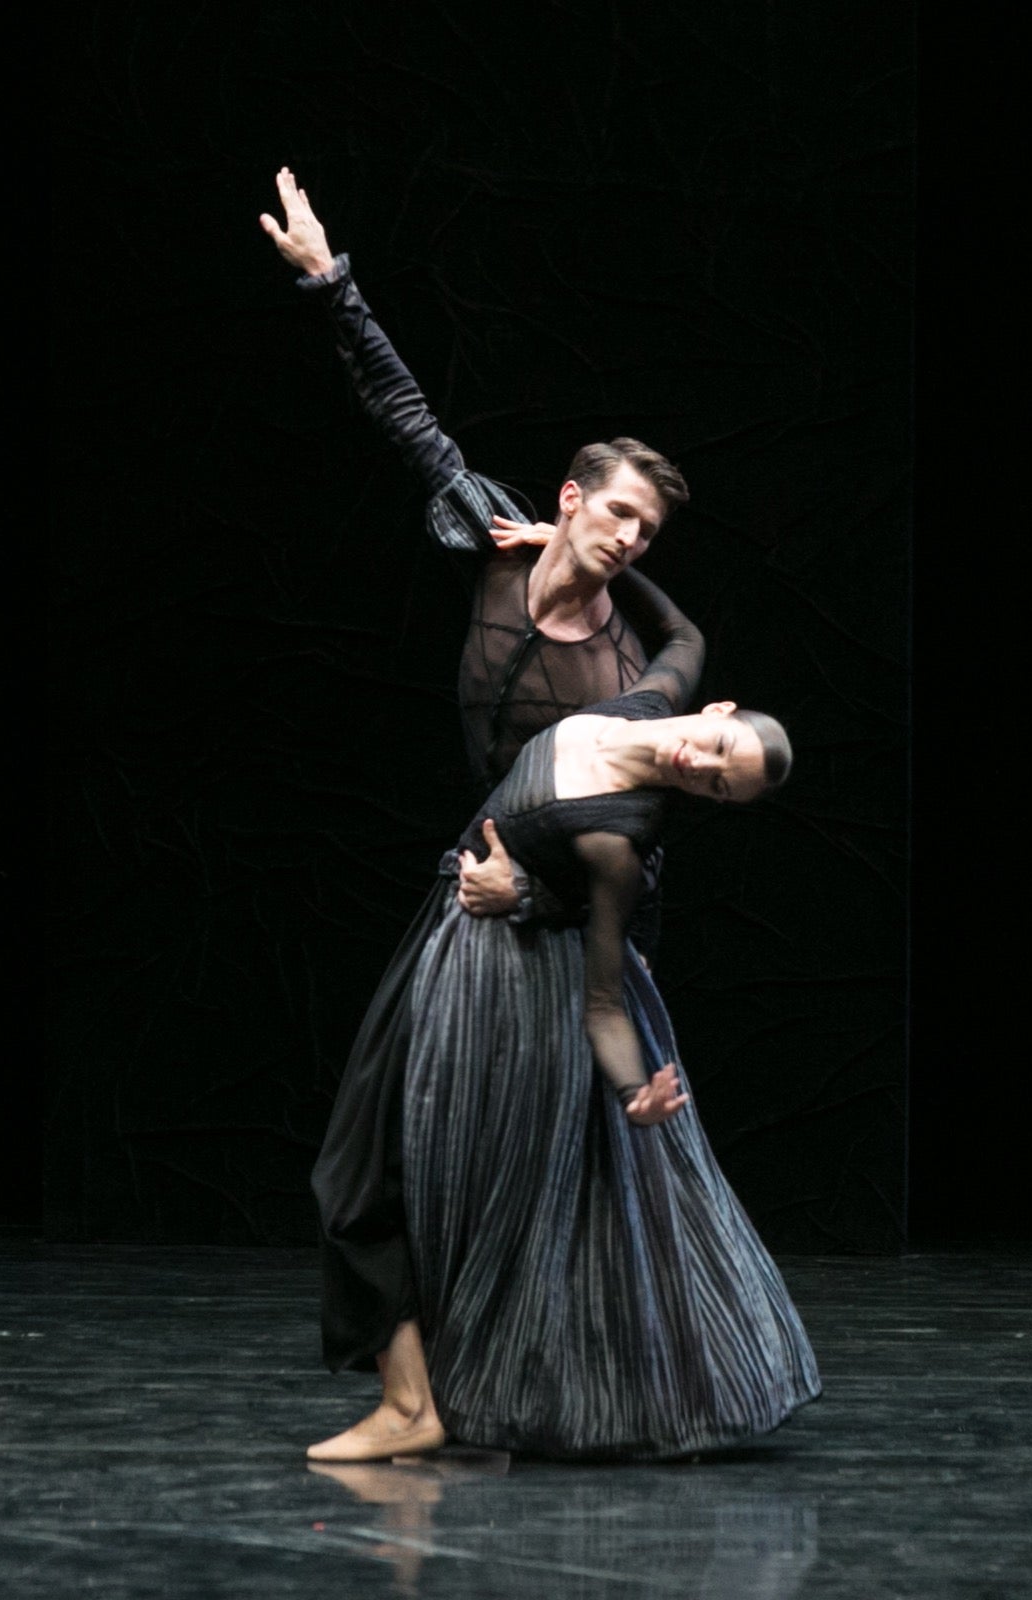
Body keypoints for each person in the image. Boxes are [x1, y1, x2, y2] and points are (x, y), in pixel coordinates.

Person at [304, 631, 821, 1460]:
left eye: (721, 787)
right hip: (443, 946)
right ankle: (411, 1401)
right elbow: (685, 633)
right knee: (378, 1176)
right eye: (719, 747)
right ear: (715, 709)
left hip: (496, 992)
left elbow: (605, 1001)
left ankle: (414, 1404)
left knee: (389, 1179)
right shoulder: (647, 702)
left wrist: (630, 1090)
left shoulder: (620, 841)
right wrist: (559, 529)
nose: (701, 766)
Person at [259, 168, 703, 928]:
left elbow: (636, 869)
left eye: (647, 532)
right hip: (456, 860)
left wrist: (528, 897)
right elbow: (409, 421)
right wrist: (329, 280)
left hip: (541, 923)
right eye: (618, 512)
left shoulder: (623, 681)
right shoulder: (500, 544)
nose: (629, 538)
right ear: (570, 500)